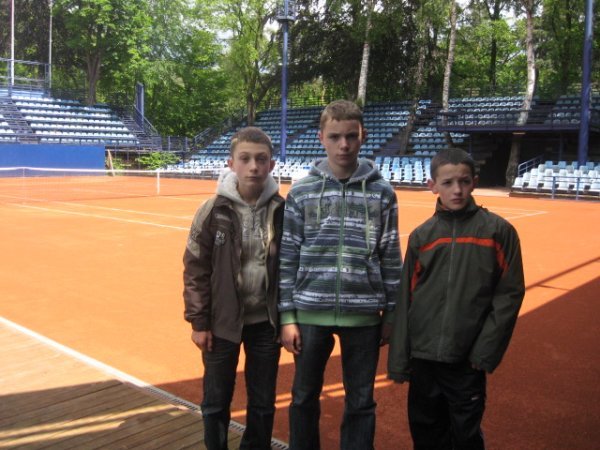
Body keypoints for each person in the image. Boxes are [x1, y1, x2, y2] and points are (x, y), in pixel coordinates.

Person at [278, 99, 402, 450]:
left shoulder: (382, 192)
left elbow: (391, 254)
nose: (343, 145)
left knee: (361, 401)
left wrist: (392, 314)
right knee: (303, 396)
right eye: (335, 137)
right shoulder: (301, 191)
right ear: (321, 138)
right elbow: (288, 256)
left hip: (364, 314)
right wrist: (287, 316)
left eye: (351, 136)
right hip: (309, 313)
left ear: (363, 136)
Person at [387, 147, 525, 449]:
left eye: (464, 181)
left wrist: (484, 351)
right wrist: (399, 360)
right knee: (425, 431)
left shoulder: (498, 231)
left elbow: (509, 295)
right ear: (433, 186)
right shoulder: (422, 235)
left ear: (474, 182)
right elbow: (406, 298)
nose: (457, 190)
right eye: (448, 183)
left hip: (466, 359)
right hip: (423, 357)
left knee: (466, 435)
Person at [183, 126, 284, 450]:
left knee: (263, 402)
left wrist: (286, 319)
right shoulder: (212, 210)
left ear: (271, 165)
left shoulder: (283, 211)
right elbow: (195, 269)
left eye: (261, 159)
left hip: (266, 324)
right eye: (245, 158)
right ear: (231, 163)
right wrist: (199, 322)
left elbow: (291, 268)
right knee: (215, 401)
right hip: (221, 323)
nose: (253, 166)